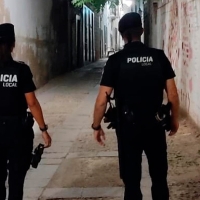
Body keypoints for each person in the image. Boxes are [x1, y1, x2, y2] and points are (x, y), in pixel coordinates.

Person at [92, 12, 179, 200]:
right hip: (155, 125)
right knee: (159, 178)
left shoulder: (116, 61)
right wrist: (175, 119)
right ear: (142, 30)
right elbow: (172, 94)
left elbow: (102, 99)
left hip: (128, 128)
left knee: (131, 181)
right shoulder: (158, 56)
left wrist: (96, 125)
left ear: (122, 34)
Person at [0, 23, 52, 200]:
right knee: (16, 180)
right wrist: (43, 130)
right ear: (13, 44)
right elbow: (32, 103)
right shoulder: (21, 70)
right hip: (17, 132)